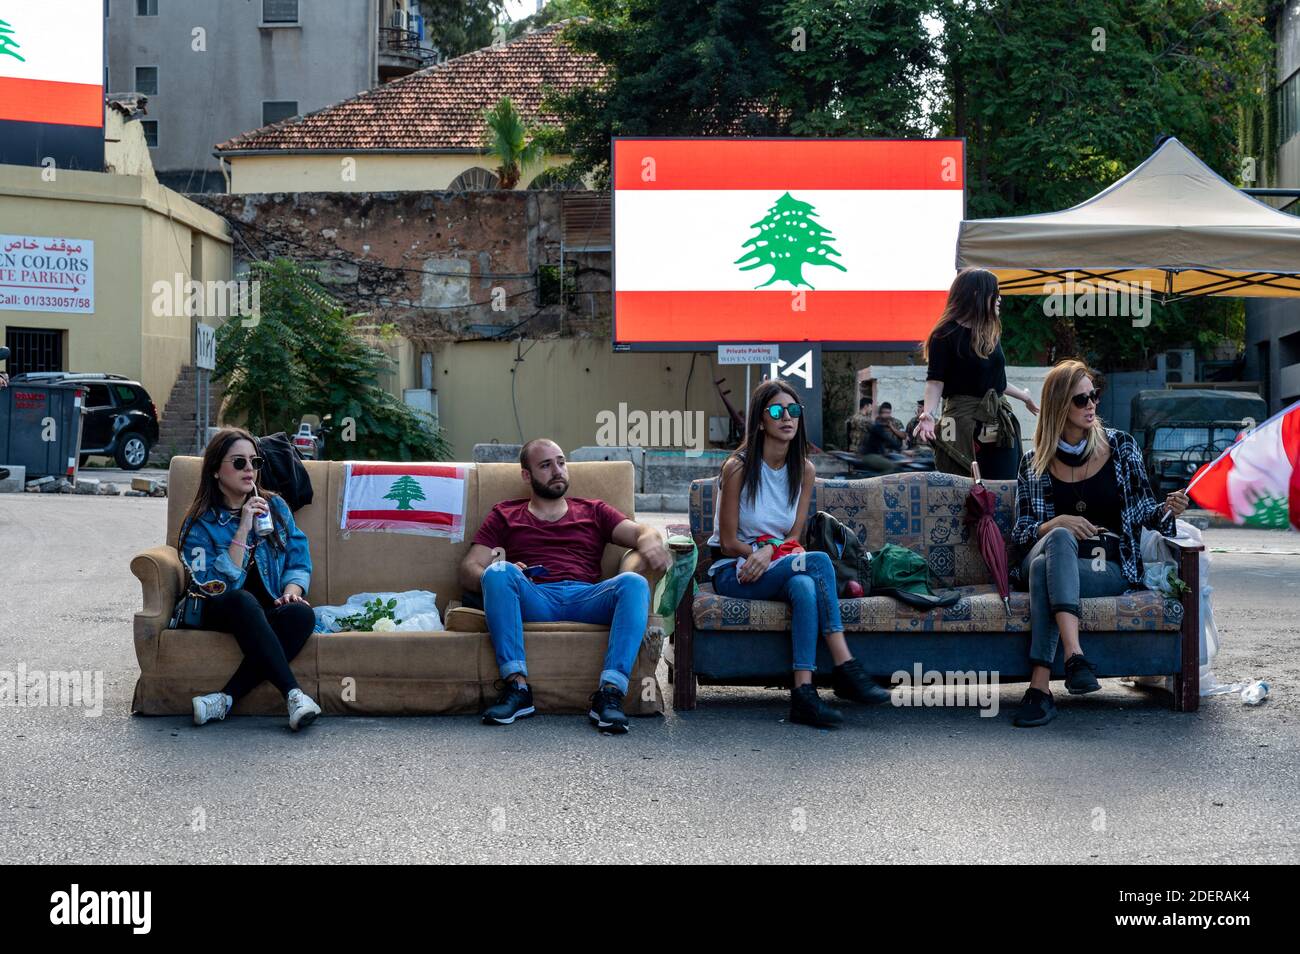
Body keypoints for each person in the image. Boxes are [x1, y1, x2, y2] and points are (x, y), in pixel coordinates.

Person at [1009, 360, 1190, 727]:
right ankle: (1075, 656)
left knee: (1047, 572)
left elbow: (1143, 513)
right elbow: (1021, 533)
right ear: (1060, 405)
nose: (1091, 405)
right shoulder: (1033, 463)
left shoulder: (1120, 448)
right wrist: (1055, 523)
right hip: (1044, 552)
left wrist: (1170, 509)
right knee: (1055, 544)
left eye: (1094, 396)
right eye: (1081, 400)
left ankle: (1040, 688)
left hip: (1103, 567)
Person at [708, 379, 892, 728]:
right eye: (776, 411)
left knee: (807, 587)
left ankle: (804, 695)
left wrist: (770, 551)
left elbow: (793, 534)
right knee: (819, 561)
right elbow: (729, 541)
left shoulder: (804, 470)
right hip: (735, 569)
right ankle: (845, 667)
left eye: (793, 410)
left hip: (775, 563)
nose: (786, 417)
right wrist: (756, 553)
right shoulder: (737, 468)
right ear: (760, 421)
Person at [459, 438, 671, 734]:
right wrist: (504, 573)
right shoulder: (505, 514)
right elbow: (469, 568)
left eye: (560, 462)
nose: (557, 470)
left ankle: (610, 695)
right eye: (545, 465)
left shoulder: (593, 510)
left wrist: (650, 542)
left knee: (634, 583)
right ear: (526, 475)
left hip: (588, 597)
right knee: (497, 572)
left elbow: (642, 531)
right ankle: (518, 689)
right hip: (536, 597)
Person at [178, 427, 321, 731]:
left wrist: (291, 592)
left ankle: (224, 700)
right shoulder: (200, 523)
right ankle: (294, 695)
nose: (249, 471)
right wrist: (243, 527)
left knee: (301, 614)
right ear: (216, 470)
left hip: (263, 610)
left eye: (255, 463)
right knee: (243, 600)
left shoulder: (276, 507)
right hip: (218, 607)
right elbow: (214, 586)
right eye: (239, 462)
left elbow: (298, 556)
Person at [913, 268, 1039, 479]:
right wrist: (928, 415)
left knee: (1006, 485)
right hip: (961, 421)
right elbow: (935, 382)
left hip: (999, 420)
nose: (999, 299)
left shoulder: (990, 333)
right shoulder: (944, 334)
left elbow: (997, 382)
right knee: (963, 488)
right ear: (976, 295)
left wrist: (1025, 397)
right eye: (994, 293)